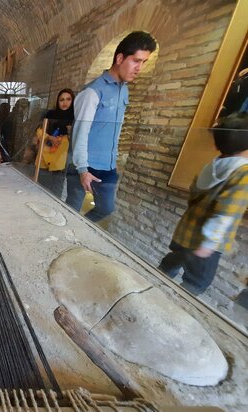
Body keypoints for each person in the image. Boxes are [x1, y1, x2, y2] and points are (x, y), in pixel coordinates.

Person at [66, 31, 157, 222]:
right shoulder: (92, 92)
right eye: (136, 61)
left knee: (106, 208)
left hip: (107, 166)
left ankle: (79, 232)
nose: (139, 68)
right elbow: (80, 133)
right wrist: (82, 169)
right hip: (84, 165)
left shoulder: (124, 91)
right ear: (120, 58)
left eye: (143, 62)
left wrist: (113, 160)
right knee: (71, 210)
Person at [158, 112, 248, 295]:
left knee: (170, 264)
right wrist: (209, 244)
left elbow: (193, 194)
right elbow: (227, 212)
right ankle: (171, 309)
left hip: (185, 232)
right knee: (197, 282)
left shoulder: (212, 165)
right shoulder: (243, 173)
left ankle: (153, 289)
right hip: (204, 242)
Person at [36, 89, 75, 197]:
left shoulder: (75, 117)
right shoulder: (50, 114)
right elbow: (39, 131)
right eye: (61, 100)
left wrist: (69, 133)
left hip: (61, 158)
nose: (65, 103)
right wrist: (50, 137)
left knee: (57, 188)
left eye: (68, 99)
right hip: (46, 154)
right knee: (40, 186)